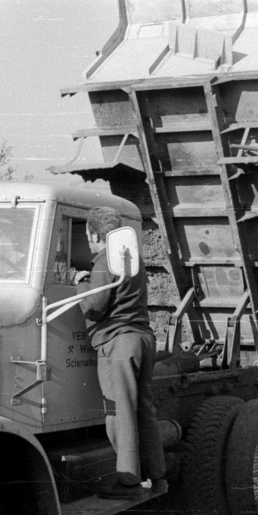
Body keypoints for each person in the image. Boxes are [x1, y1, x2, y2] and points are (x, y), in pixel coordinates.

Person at [75, 208, 167, 499]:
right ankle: (158, 476)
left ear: (95, 234)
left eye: (88, 236)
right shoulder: (132, 257)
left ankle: (127, 482)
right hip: (141, 338)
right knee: (143, 411)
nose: (88, 243)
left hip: (119, 342)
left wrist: (81, 280)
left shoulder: (104, 260)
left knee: (119, 411)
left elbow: (94, 306)